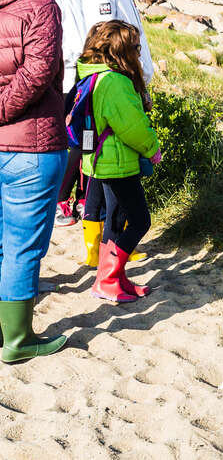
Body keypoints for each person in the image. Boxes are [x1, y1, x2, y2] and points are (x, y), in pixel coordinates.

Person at [0, 0, 70, 362]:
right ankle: (18, 339)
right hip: (32, 141)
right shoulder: (40, 2)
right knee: (23, 245)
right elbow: (39, 71)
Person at [81, 0, 154, 265]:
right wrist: (134, 86)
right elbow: (105, 40)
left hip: (120, 83)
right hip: (115, 86)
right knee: (112, 172)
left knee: (101, 171)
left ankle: (100, 246)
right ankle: (107, 247)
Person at [76, 20, 161, 302]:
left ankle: (116, 277)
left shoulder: (97, 75)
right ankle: (107, 279)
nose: (139, 52)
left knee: (116, 220)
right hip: (116, 161)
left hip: (104, 160)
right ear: (122, 52)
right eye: (136, 48)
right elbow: (131, 125)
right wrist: (151, 147)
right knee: (140, 220)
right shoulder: (115, 82)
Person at [51, 0, 106, 228]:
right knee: (73, 141)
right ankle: (61, 199)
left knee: (89, 139)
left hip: (90, 75)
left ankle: (84, 198)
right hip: (71, 77)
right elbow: (71, 39)